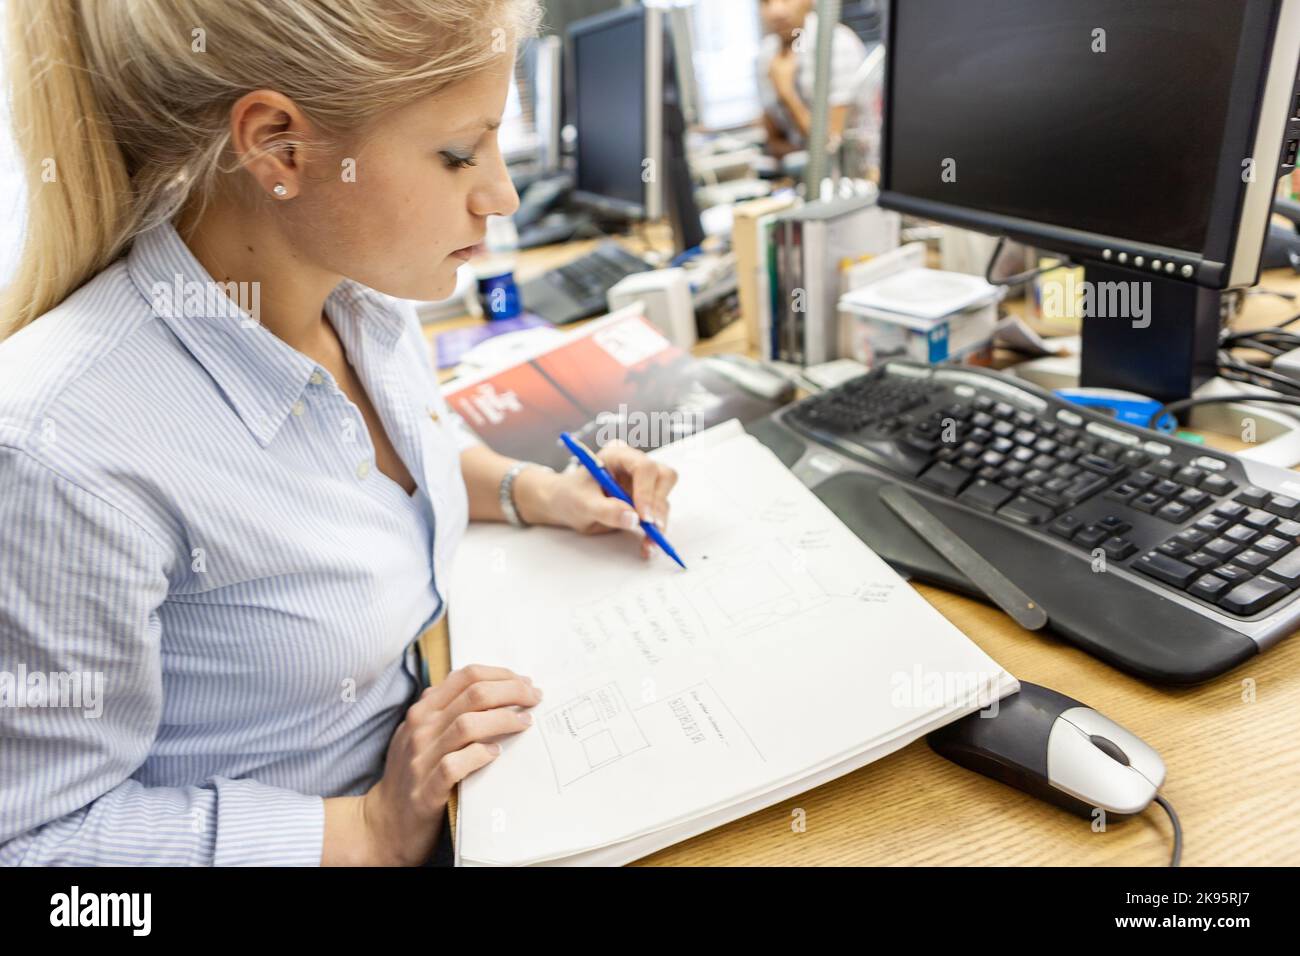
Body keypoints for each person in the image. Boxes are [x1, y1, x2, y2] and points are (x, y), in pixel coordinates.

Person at [0, 0, 678, 866]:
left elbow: (371, 474)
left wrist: (535, 489)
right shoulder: (61, 455)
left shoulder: (358, 300)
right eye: (459, 152)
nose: (502, 193)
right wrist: (367, 831)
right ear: (280, 147)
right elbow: (37, 853)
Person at [756, 0, 868, 160]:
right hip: (797, 173)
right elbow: (773, 142)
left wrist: (787, 94)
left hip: (845, 172)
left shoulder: (836, 43)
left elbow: (830, 144)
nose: (776, 11)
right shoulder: (767, 53)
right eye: (766, 2)